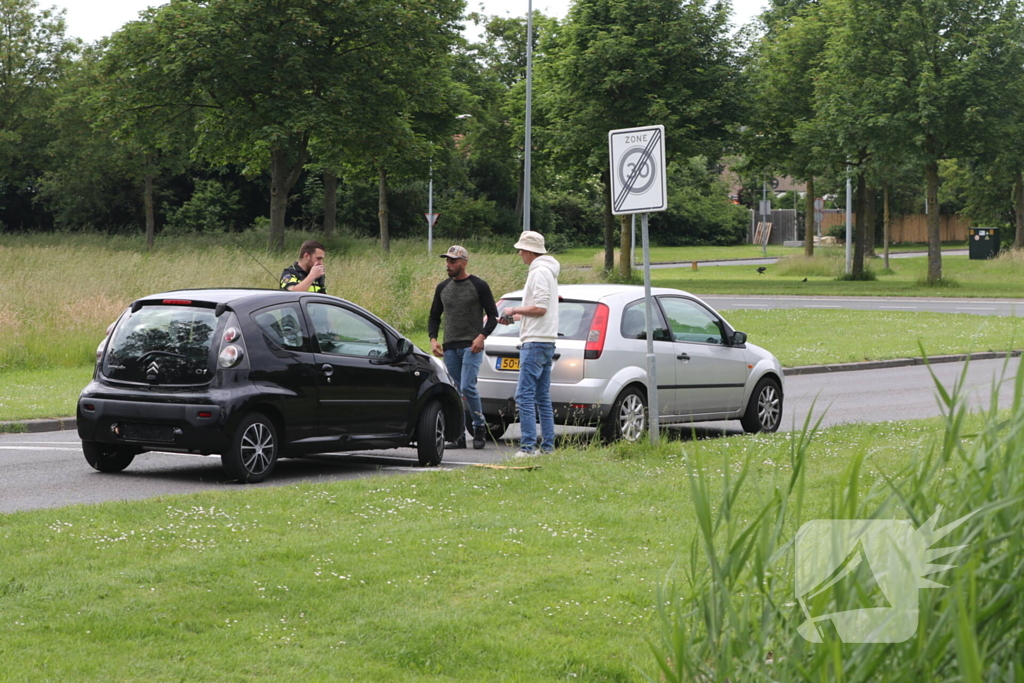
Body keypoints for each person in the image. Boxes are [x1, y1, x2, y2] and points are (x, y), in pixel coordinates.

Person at [428, 245, 500, 450]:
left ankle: (479, 427)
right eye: (447, 261)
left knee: (468, 386)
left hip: (472, 345)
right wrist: (433, 339)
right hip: (450, 347)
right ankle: (458, 434)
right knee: (456, 390)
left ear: (464, 263)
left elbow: (493, 316)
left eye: (452, 261)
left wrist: (481, 337)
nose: (448, 265)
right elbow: (434, 316)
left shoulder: (479, 285)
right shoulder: (443, 288)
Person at [499, 231, 560, 457]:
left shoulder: (539, 272)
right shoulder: (548, 271)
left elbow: (540, 308)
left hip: (534, 344)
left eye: (521, 250)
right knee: (542, 397)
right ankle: (547, 447)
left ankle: (527, 448)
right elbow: (538, 312)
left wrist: (514, 309)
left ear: (529, 251)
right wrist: (512, 319)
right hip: (545, 341)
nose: (519, 254)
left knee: (524, 396)